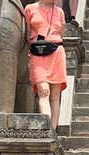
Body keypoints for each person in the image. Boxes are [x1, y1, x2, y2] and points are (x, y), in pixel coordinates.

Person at [25, 0, 67, 129]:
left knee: (55, 95)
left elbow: (61, 34)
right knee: (43, 90)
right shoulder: (30, 9)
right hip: (38, 53)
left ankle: (53, 130)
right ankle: (48, 129)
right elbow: (27, 34)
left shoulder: (60, 11)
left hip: (56, 52)